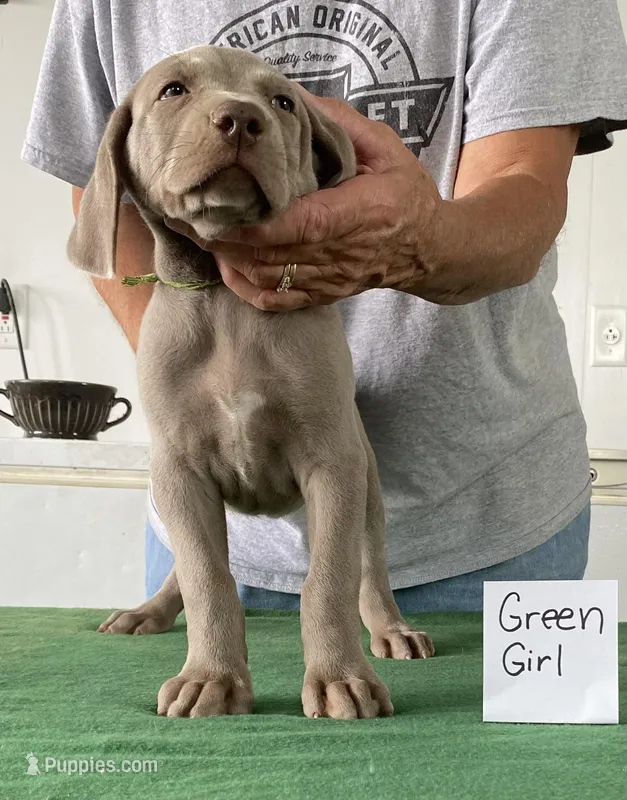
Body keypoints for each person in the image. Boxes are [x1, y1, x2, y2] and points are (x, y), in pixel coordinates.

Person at [23, 1, 627, 613]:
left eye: (275, 107)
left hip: (489, 524)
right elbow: (106, 198)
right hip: (209, 535)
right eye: (177, 91)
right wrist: (194, 371)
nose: (236, 118)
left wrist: (422, 240)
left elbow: (526, 188)